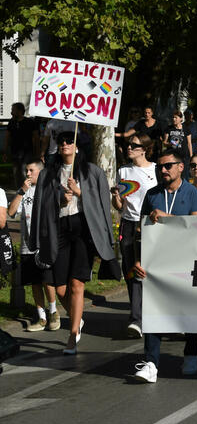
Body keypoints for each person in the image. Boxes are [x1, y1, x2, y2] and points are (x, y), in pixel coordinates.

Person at [31, 131, 116, 354]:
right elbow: (41, 207)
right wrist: (61, 199)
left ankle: (72, 333)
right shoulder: (48, 174)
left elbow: (102, 207)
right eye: (61, 142)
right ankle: (76, 318)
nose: (65, 145)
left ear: (77, 145)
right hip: (59, 230)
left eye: (69, 141)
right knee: (60, 290)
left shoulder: (92, 172)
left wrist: (80, 193)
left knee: (77, 285)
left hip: (83, 231)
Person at [129, 149, 197, 383]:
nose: (162, 170)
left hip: (187, 262)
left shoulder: (193, 193)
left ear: (180, 167)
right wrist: (137, 260)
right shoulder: (152, 194)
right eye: (159, 167)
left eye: (167, 165)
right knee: (154, 312)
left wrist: (165, 219)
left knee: (190, 311)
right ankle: (151, 362)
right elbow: (139, 231)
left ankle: (191, 353)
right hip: (157, 264)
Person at [112, 134, 158, 338]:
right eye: (127, 144)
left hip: (150, 224)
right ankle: (137, 318)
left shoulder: (156, 169)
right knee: (130, 270)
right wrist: (116, 197)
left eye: (134, 145)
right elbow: (119, 206)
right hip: (129, 224)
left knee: (152, 272)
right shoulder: (123, 171)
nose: (128, 148)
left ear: (144, 149)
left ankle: (156, 313)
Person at [8, 160, 59, 332]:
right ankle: (41, 316)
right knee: (34, 282)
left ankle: (53, 312)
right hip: (26, 244)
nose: (28, 174)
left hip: (43, 244)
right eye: (26, 170)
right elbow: (11, 212)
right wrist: (21, 192)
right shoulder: (24, 190)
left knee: (47, 280)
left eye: (31, 170)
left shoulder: (48, 188)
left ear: (41, 172)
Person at [7, 102, 39, 187]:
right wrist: (6, 149)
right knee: (15, 172)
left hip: (27, 152)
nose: (11, 112)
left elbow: (35, 137)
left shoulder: (29, 122)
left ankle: (27, 190)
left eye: (13, 110)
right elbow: (8, 136)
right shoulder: (11, 122)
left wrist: (37, 151)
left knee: (24, 171)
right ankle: (19, 190)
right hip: (14, 151)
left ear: (20, 111)